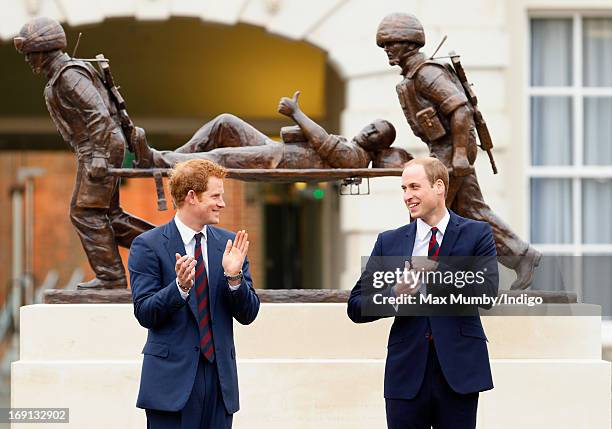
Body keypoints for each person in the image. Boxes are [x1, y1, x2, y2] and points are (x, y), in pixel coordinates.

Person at [376, 12, 540, 289]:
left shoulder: (427, 73)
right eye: (385, 45)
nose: (387, 50)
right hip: (443, 150)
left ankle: (419, 276)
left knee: (426, 209)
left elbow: (461, 109)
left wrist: (461, 155)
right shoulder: (414, 76)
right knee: (470, 210)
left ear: (409, 44)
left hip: (451, 151)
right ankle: (521, 255)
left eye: (392, 43)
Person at [347, 157, 499, 429]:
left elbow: (486, 292)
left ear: (439, 187)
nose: (407, 196)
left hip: (459, 371)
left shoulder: (477, 234)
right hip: (406, 372)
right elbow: (356, 306)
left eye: (414, 187)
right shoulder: (389, 241)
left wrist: (435, 270)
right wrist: (394, 294)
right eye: (404, 189)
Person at [14, 17, 154, 289]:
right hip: (97, 147)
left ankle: (111, 278)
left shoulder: (68, 75)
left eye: (31, 53)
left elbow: (98, 114)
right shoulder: (62, 75)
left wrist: (99, 157)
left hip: (98, 148)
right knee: (109, 216)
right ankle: (172, 247)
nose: (29, 59)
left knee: (85, 213)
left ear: (45, 49)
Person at [128, 159, 260, 428]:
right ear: (191, 197)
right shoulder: (148, 245)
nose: (222, 203)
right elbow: (145, 312)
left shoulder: (228, 244)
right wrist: (179, 288)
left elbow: (249, 314)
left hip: (220, 383)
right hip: (170, 386)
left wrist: (234, 277)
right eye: (215, 196)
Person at [131, 92, 411, 169]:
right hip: (277, 148)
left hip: (278, 159)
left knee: (222, 157)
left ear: (378, 147)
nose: (368, 131)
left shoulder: (356, 157)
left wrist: (297, 113)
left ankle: (156, 159)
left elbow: (323, 143)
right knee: (225, 121)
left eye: (375, 133)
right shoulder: (352, 146)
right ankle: (172, 161)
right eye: (371, 125)